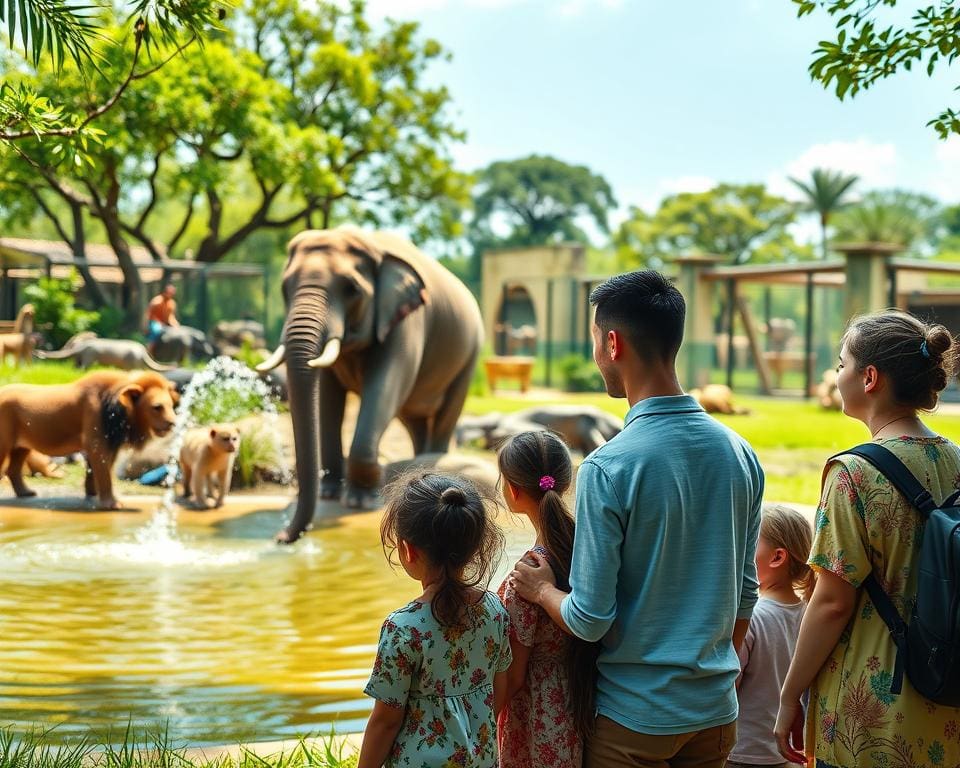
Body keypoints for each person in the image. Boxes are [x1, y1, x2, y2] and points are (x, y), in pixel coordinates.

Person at [511, 270, 764, 768]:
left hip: (634, 722)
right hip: (715, 713)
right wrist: (707, 674)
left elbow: (589, 619)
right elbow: (745, 594)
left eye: (593, 342)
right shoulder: (740, 452)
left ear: (612, 343)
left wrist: (541, 591)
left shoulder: (609, 467)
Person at [775, 310, 960, 767]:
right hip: (949, 695)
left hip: (874, 710)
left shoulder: (853, 474)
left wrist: (788, 696)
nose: (838, 376)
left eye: (842, 364)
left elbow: (832, 603)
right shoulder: (956, 460)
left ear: (869, 377)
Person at [358, 472, 512, 768]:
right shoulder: (495, 610)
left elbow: (385, 723)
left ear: (408, 550)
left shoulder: (404, 629)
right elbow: (499, 689)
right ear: (473, 545)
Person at [495, 430, 598, 768]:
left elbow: (514, 676)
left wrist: (475, 723)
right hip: (582, 700)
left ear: (513, 490)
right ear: (564, 483)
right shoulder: (589, 547)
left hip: (539, 715)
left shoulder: (529, 574)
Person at [727, 504, 813, 768]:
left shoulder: (751, 617)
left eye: (748, 541)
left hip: (741, 752)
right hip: (785, 752)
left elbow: (729, 685)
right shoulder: (808, 615)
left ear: (777, 557)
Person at [145, 283, 179, 355]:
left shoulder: (172, 303)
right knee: (156, 331)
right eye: (169, 293)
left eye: (172, 293)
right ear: (165, 292)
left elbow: (171, 316)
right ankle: (148, 352)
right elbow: (149, 314)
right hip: (155, 322)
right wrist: (159, 323)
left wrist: (175, 324)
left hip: (165, 323)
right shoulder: (157, 301)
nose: (170, 295)